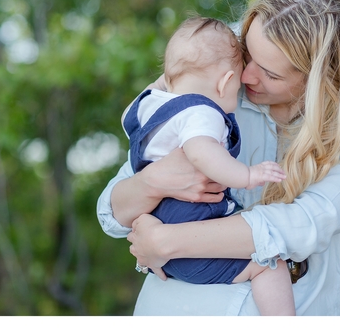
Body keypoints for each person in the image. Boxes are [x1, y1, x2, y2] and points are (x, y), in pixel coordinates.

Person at [97, 0, 340, 315]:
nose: (247, 76)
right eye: (247, 55)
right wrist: (152, 181)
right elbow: (111, 211)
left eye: (271, 73)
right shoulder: (213, 86)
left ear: (322, 78)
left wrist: (165, 241)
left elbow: (301, 225)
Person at [120, 16, 294, 315]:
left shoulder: (146, 103)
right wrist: (248, 175)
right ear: (226, 82)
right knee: (271, 267)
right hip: (191, 227)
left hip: (159, 225)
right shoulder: (202, 113)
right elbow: (202, 153)